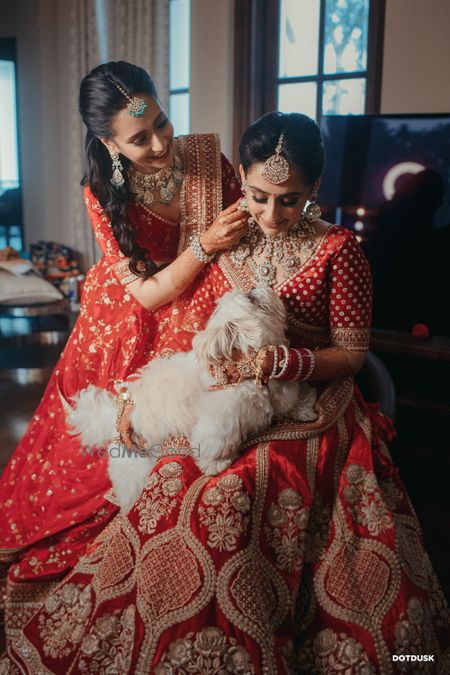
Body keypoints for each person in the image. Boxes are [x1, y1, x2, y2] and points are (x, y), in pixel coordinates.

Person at [3, 112, 449, 674]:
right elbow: (191, 321)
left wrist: (285, 361)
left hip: (309, 399)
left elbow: (352, 354)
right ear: (241, 175)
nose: (271, 214)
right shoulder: (229, 237)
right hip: (228, 390)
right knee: (170, 477)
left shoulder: (340, 250)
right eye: (259, 195)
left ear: (313, 187)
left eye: (289, 200)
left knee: (234, 491)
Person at [0, 61, 246, 644]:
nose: (161, 143)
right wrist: (204, 245)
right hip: (129, 319)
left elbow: (254, 239)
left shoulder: (209, 160)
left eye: (162, 121)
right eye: (140, 138)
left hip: (200, 304)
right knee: (102, 461)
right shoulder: (100, 191)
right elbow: (151, 290)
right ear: (109, 143)